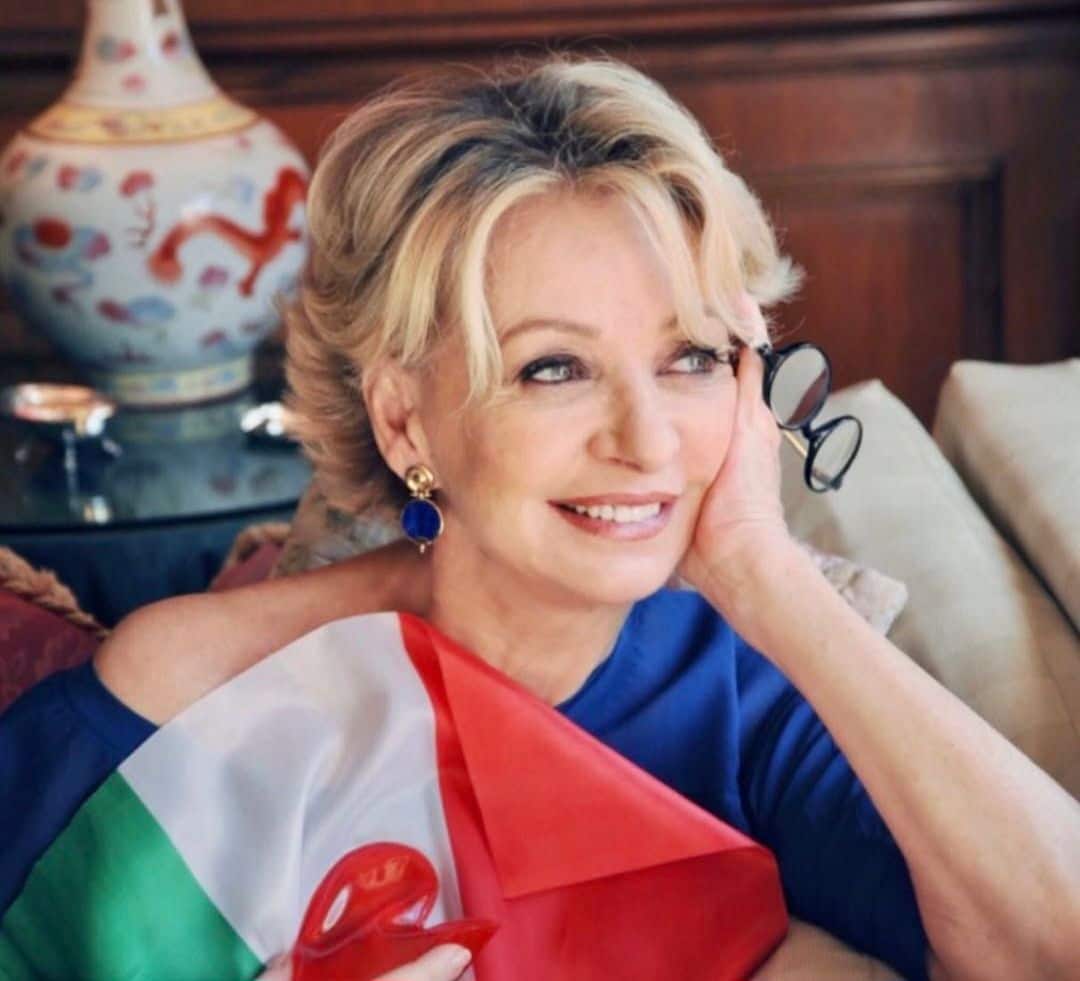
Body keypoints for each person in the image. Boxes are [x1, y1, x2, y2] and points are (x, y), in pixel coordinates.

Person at [2, 54, 1078, 981]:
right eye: (554, 367)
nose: (647, 441)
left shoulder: (743, 698)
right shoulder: (197, 690)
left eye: (692, 357)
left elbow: (1053, 945)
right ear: (404, 419)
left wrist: (762, 565)